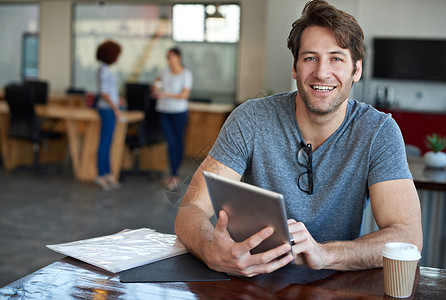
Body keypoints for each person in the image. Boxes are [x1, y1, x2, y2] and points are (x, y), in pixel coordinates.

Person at [175, 0, 422, 277]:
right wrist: (211, 251)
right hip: (250, 279)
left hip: (336, 283)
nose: (322, 72)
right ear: (295, 68)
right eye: (310, 58)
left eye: (336, 58)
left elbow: (408, 237)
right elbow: (190, 209)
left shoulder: (378, 131)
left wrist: (324, 253)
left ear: (356, 70)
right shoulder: (251, 119)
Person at [154, 47, 193, 191]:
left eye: (171, 56)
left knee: (177, 142)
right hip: (164, 111)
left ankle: (175, 174)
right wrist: (156, 90)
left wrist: (165, 94)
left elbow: (184, 95)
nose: (169, 59)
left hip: (179, 112)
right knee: (170, 143)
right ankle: (172, 173)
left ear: (178, 57)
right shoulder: (164, 71)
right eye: (167, 56)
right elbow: (157, 85)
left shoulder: (186, 74)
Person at [95, 40, 122, 190]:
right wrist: (116, 108)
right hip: (107, 110)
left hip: (108, 108)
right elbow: (104, 93)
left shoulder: (105, 69)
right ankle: (101, 174)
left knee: (108, 142)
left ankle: (108, 173)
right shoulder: (104, 70)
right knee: (105, 142)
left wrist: (118, 100)